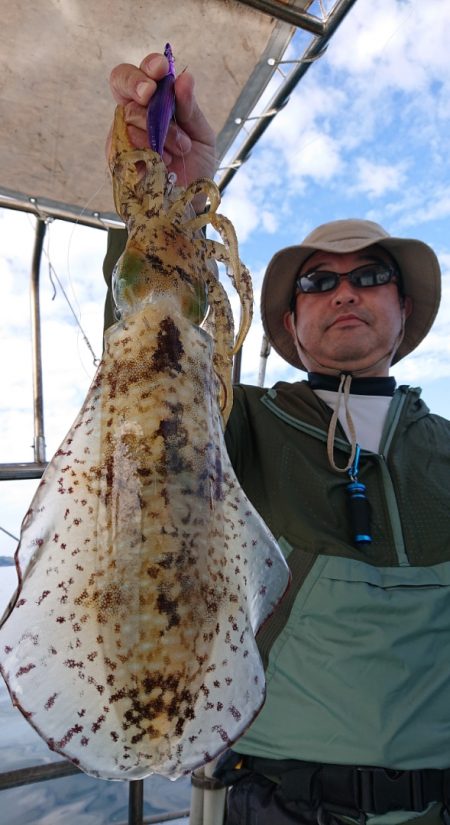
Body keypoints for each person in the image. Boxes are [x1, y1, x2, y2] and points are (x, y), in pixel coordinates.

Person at [106, 52, 450, 825]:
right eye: (318, 283)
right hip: (279, 799)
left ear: (404, 310)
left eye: (370, 275)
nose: (346, 292)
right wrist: (176, 196)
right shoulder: (237, 422)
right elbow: (147, 350)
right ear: (291, 324)